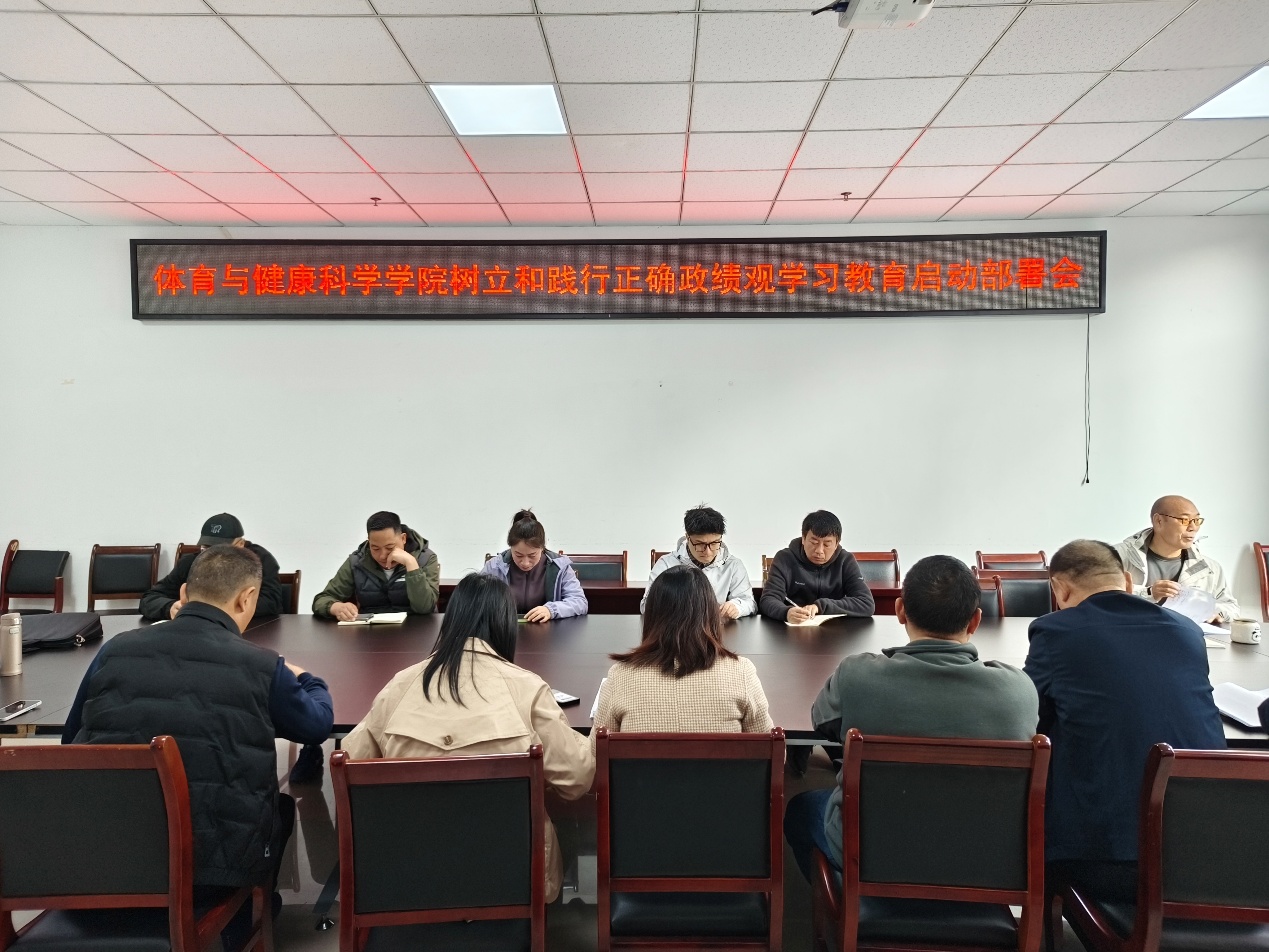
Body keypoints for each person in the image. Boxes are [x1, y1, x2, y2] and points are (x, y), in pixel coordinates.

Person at [64, 546, 333, 949]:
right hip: (207, 873)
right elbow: (316, 726)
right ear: (247, 598)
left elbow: (70, 741)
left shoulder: (114, 650)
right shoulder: (262, 666)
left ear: (184, 592)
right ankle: (245, 916)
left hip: (100, 857)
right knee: (277, 807)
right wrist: (308, 679)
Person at [784, 555, 1038, 882]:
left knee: (801, 808)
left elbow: (822, 725)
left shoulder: (857, 677)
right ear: (976, 621)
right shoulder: (1018, 691)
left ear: (900, 610)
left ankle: (846, 900)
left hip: (873, 848)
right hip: (986, 856)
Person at [343, 572, 593, 902]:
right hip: (512, 877)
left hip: (408, 875)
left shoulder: (401, 685)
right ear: (505, 624)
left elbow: (351, 764)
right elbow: (577, 779)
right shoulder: (527, 688)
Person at [1026, 539, 1226, 903]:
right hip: (1208, 856)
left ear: (1059, 589)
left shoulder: (1056, 631)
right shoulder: (1186, 630)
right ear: (1128, 581)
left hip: (1112, 861)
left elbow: (1029, 716)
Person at [594, 564, 772, 745]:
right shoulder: (741, 672)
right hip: (719, 764)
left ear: (652, 615)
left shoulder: (620, 676)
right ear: (710, 612)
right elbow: (770, 750)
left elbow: (595, 752)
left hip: (642, 765)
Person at [140, 512, 286, 621]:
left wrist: (214, 607)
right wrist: (170, 607)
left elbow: (271, 603)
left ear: (240, 545)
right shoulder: (192, 562)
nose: (212, 554)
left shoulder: (259, 560)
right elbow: (150, 599)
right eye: (206, 547)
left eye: (222, 548)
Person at [1115, 495, 1240, 622]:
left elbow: (1231, 607)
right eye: (1184, 520)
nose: (1193, 527)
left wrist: (1215, 612)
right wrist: (1149, 593)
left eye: (1197, 520)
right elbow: (1104, 598)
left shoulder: (1209, 568)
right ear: (1159, 521)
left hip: (1184, 633)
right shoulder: (1115, 557)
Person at [313, 510, 440, 619]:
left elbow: (425, 608)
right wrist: (335, 607)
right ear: (369, 542)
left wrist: (411, 564)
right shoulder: (357, 562)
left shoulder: (425, 559)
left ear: (403, 539)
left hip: (415, 630)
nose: (382, 556)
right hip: (370, 633)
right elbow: (321, 600)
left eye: (390, 547)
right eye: (375, 548)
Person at [760, 510, 875, 622]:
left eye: (827, 544)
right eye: (814, 543)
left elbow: (866, 603)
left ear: (836, 544)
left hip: (834, 629)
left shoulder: (845, 561)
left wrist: (821, 606)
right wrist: (786, 612)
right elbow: (768, 599)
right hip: (792, 628)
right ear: (803, 539)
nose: (819, 550)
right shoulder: (784, 558)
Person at [643, 505, 755, 618]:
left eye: (714, 543)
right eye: (700, 544)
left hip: (717, 627)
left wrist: (737, 607)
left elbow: (749, 603)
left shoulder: (733, 565)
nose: (708, 552)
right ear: (687, 537)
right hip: (677, 626)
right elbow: (646, 606)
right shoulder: (666, 564)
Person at [480, 510, 587, 621]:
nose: (525, 563)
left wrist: (551, 610)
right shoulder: (494, 566)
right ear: (510, 547)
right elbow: (475, 600)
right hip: (504, 628)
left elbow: (579, 602)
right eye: (518, 555)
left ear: (542, 548)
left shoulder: (560, 566)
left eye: (532, 555)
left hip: (548, 629)